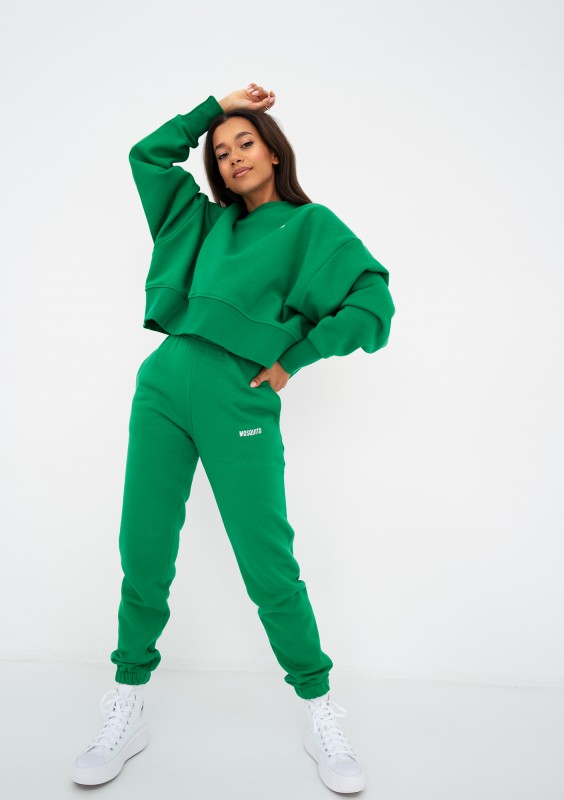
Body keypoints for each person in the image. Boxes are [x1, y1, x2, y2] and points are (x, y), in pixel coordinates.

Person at [71, 82, 396, 794]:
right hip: (163, 384)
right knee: (143, 548)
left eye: (245, 141)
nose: (233, 156)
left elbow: (374, 302)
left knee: (266, 560)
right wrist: (213, 107)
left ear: (274, 152)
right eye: (221, 150)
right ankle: (127, 702)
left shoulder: (311, 227)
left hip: (238, 394)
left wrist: (295, 358)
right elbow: (147, 156)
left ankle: (318, 707)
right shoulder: (201, 221)